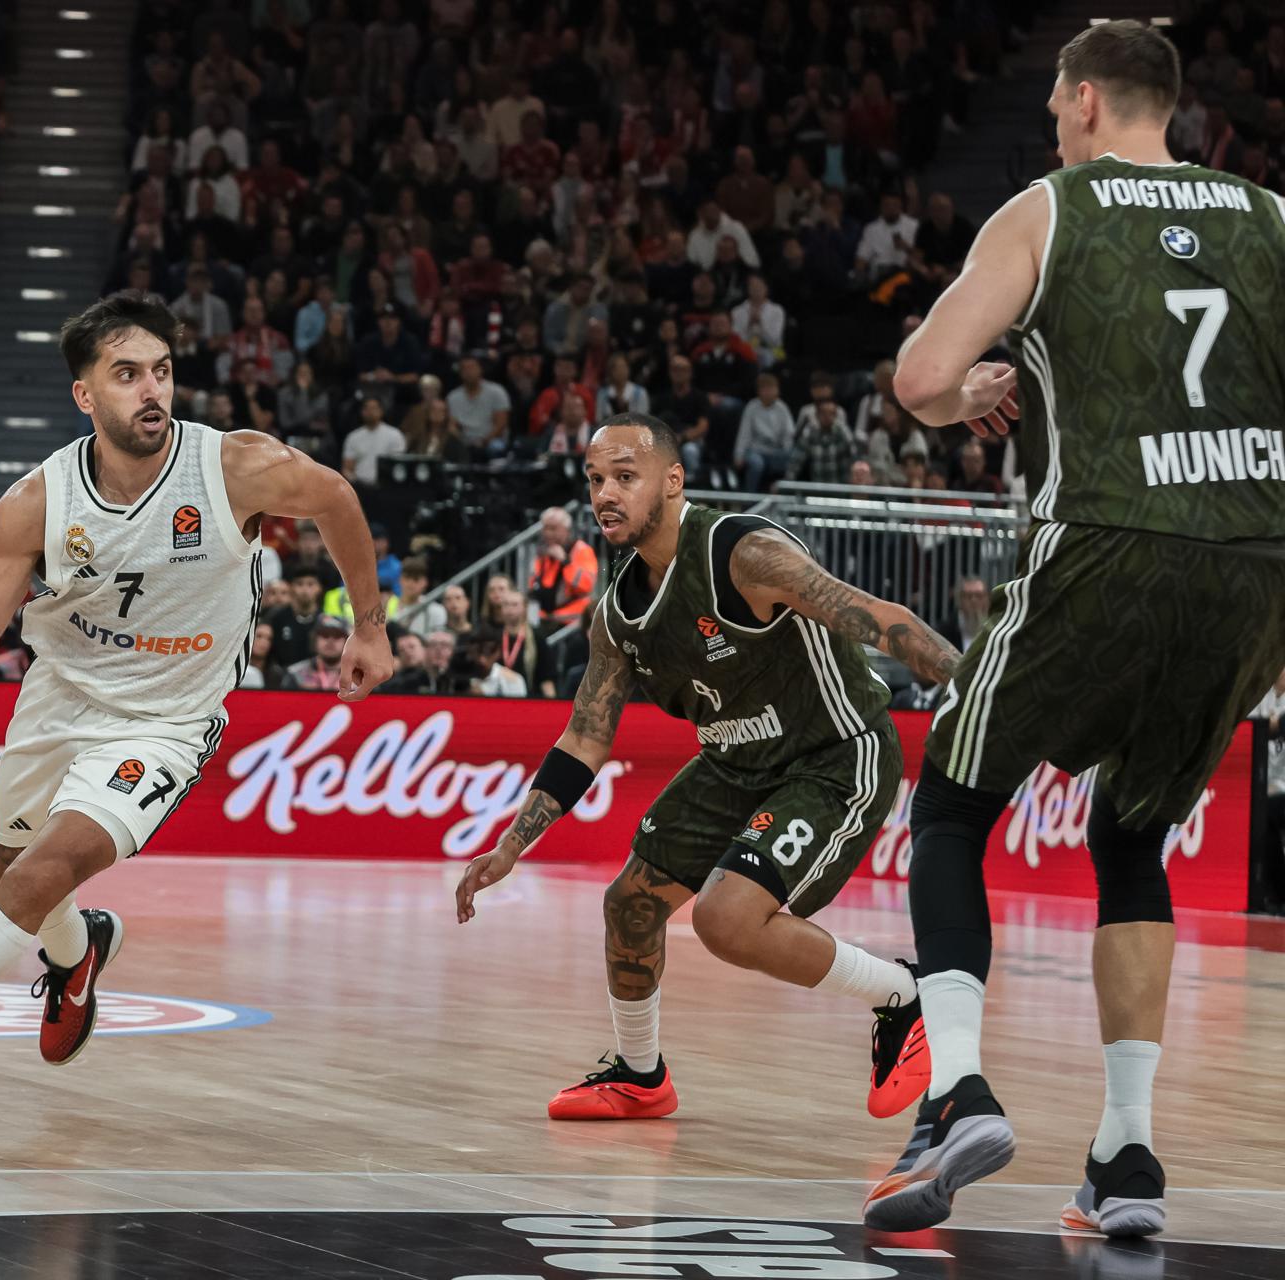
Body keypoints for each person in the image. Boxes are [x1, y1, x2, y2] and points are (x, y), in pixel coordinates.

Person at [863, 22, 1285, 1237]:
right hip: (1256, 565)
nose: (1051, 119)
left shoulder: (1049, 209)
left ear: (1089, 100)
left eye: (1056, 102)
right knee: (1134, 831)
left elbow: (920, 372)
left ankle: (954, 1091)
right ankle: (1128, 1158)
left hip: (1109, 536)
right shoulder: (1266, 219)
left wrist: (971, 390)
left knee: (950, 804)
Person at [0, 293, 392, 1114]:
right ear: (86, 396)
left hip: (169, 720)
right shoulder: (36, 502)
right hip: (60, 694)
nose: (152, 391)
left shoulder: (233, 467)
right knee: (17, 878)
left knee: (45, 869)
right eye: (126, 375)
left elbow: (337, 501)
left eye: (162, 372)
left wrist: (368, 627)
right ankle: (77, 956)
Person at [456, 415, 960, 1129]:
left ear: (672, 481)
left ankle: (906, 994)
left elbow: (878, 617)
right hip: (734, 763)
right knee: (629, 905)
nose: (606, 494)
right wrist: (511, 844)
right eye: (596, 480)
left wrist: (979, 693)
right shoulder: (618, 615)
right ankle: (639, 1077)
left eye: (625, 477)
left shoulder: (742, 553)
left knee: (728, 919)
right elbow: (584, 738)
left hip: (835, 754)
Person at [527, 507, 599, 625]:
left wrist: (565, 561)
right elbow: (535, 584)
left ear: (566, 530)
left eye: (554, 528)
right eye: (545, 528)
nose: (548, 533)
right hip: (545, 619)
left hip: (572, 621)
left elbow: (586, 586)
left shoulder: (582, 550)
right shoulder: (544, 552)